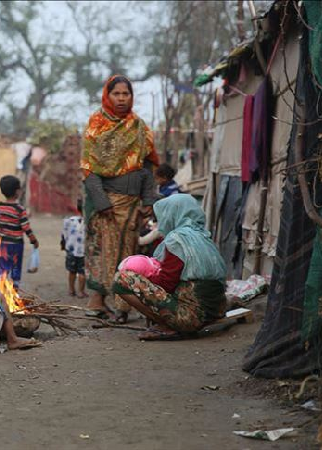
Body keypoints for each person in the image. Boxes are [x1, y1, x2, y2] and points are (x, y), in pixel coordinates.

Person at [80, 74, 160, 323]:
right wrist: (102, 203)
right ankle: (99, 301)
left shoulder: (139, 127)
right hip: (107, 204)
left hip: (133, 205)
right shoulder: (96, 125)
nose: (122, 98)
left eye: (126, 93)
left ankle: (123, 306)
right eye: (117, 93)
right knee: (104, 252)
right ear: (107, 94)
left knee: (128, 251)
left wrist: (148, 201)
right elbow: (89, 169)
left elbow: (148, 166)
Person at [111, 194, 228, 340]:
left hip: (191, 318)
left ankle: (167, 326)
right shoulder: (203, 237)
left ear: (172, 214)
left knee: (122, 279)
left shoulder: (178, 241)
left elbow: (167, 283)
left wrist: (146, 276)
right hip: (217, 311)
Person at [0, 175, 39, 290]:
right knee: (15, 267)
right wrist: (33, 240)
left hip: (3, 243)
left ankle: (1, 292)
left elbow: (0, 222)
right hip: (16, 245)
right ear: (17, 191)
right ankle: (15, 291)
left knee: (3, 268)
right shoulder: (20, 209)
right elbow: (26, 227)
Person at [61, 199, 87, 298]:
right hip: (84, 252)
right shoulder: (88, 223)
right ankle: (81, 291)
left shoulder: (69, 221)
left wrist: (64, 246)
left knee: (72, 271)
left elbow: (64, 235)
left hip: (71, 250)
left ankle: (71, 290)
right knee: (82, 272)